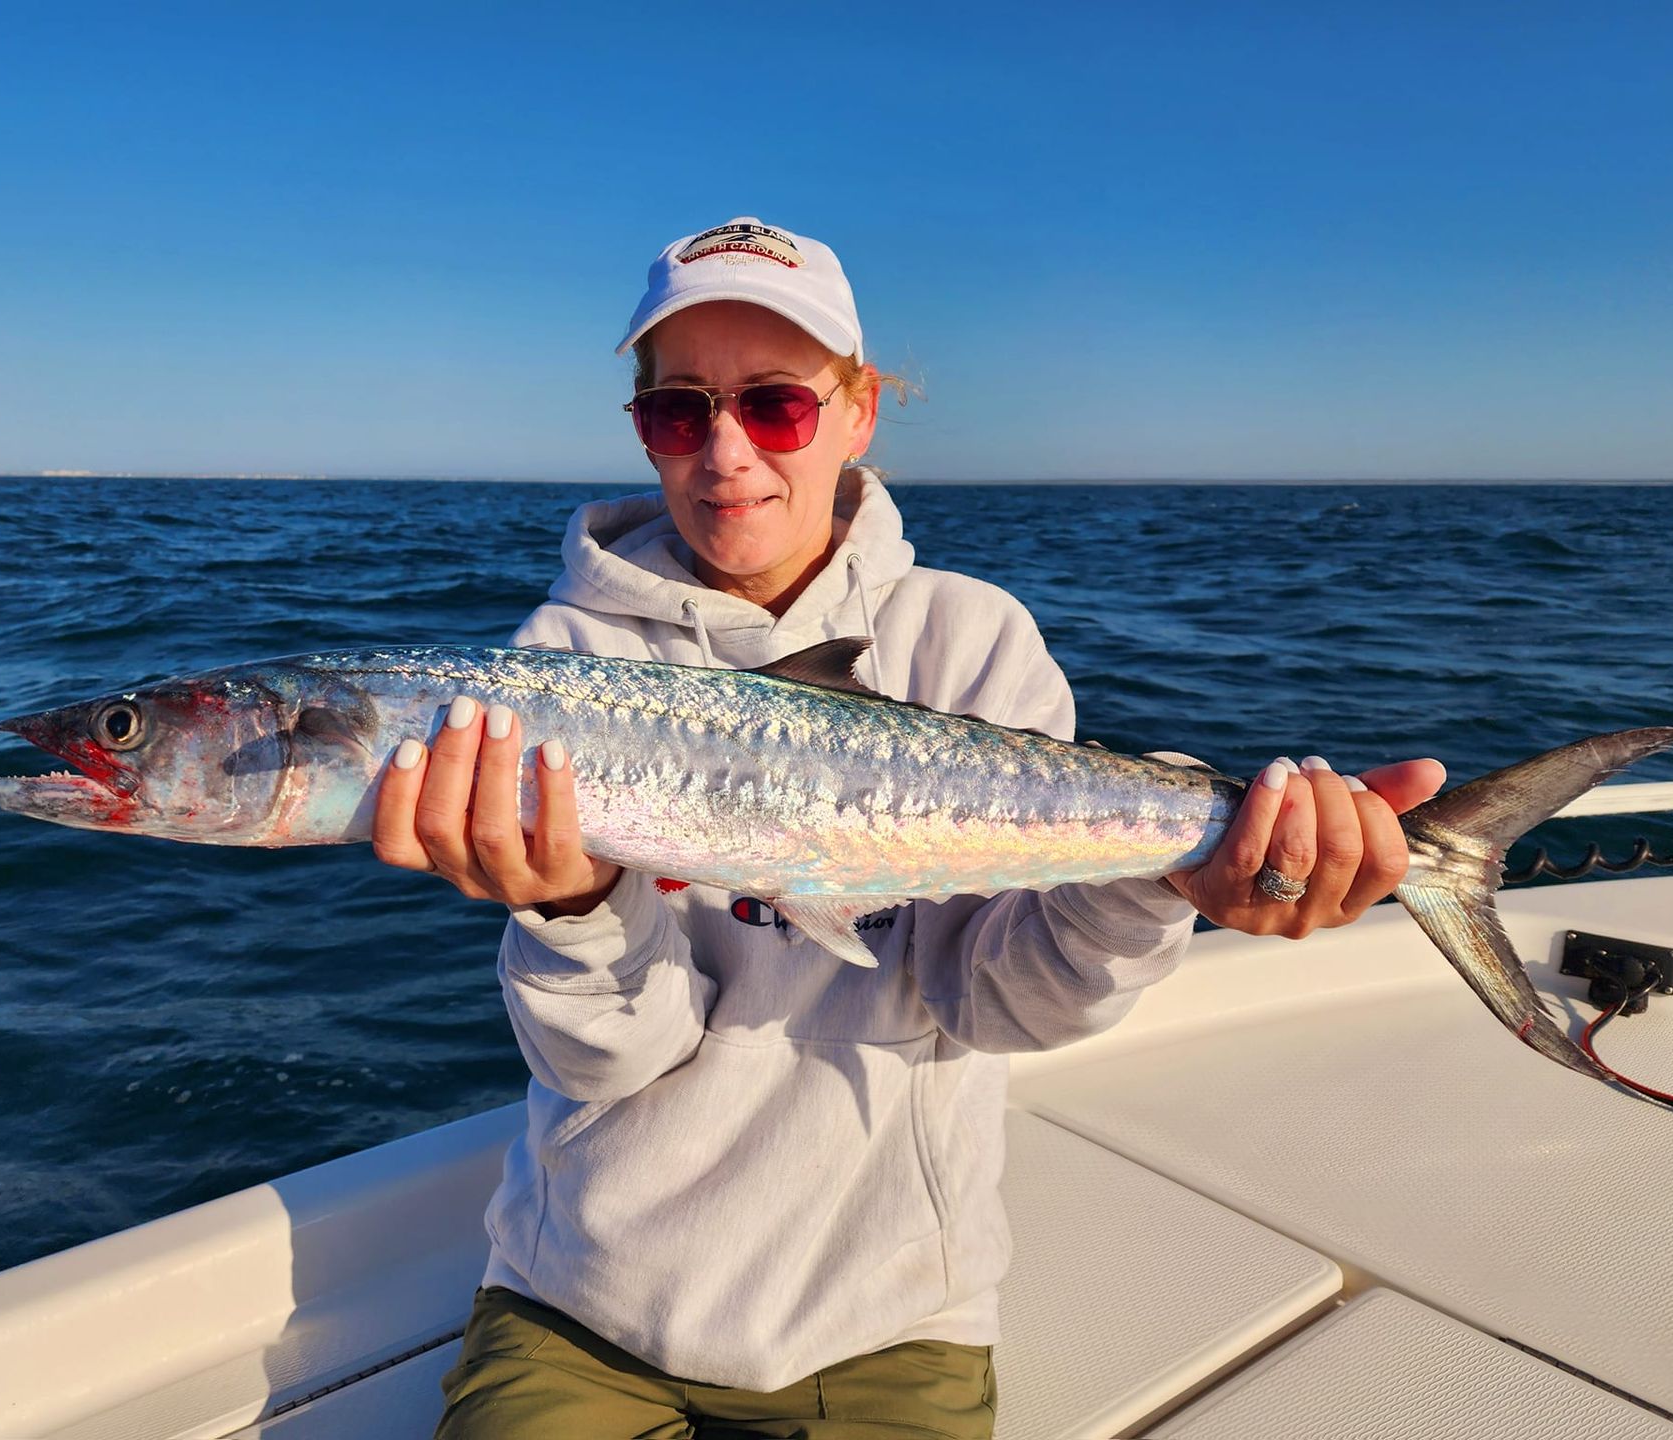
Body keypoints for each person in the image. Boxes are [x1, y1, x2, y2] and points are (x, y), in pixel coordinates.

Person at [372, 217, 1444, 1439]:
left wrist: (1165, 886)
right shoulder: (560, 667)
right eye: (679, 412)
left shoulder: (970, 640)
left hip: (891, 1320)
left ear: (859, 410)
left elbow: (1001, 1007)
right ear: (642, 430)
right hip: (583, 1306)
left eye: (774, 406)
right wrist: (567, 908)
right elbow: (604, 1064)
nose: (724, 453)